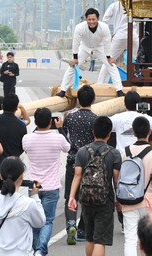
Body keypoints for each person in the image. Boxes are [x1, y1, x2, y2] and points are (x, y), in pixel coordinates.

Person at [68, 116, 121, 256]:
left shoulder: (82, 151)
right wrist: (118, 200)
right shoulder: (114, 153)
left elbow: (77, 175)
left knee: (89, 237)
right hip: (105, 200)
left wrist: (72, 197)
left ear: (93, 132)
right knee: (100, 240)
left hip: (86, 198)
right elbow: (116, 180)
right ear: (109, 134)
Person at [22, 107, 70, 256]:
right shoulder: (58, 138)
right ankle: (40, 250)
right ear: (51, 121)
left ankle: (37, 249)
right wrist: (60, 129)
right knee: (47, 221)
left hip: (34, 186)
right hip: (51, 186)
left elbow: (26, 149)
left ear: (35, 122)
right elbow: (68, 148)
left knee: (34, 221)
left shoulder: (27, 138)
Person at [119, 116, 152, 256]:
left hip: (129, 199)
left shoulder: (125, 152)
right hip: (148, 200)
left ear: (133, 133)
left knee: (130, 239)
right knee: (149, 240)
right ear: (149, 131)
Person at [56, 7, 124, 98]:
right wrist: (75, 58)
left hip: (99, 47)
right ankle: (63, 90)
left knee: (111, 66)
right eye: (89, 19)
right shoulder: (79, 27)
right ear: (86, 19)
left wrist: (109, 57)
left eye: (93, 19)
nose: (91, 22)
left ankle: (119, 90)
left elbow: (107, 43)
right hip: (85, 47)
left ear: (98, 19)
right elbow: (75, 43)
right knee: (72, 66)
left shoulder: (104, 27)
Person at [0, 156, 45, 256]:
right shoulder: (27, 203)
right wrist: (35, 196)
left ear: (0, 176)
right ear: (22, 176)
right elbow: (40, 222)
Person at [63, 84, 98, 244]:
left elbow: (66, 137)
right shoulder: (96, 119)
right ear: (93, 99)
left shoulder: (70, 117)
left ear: (78, 100)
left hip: (73, 160)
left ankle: (71, 224)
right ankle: (83, 229)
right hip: (90, 162)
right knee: (88, 197)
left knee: (71, 196)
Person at [97, 0, 139, 84]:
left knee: (108, 60)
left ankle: (100, 83)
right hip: (133, 36)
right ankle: (133, 80)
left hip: (119, 36)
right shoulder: (135, 5)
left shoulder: (115, 5)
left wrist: (109, 34)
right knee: (134, 60)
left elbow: (105, 20)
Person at [0, 94, 27, 165]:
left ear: (2, 106)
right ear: (16, 108)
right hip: (13, 163)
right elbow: (22, 147)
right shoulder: (21, 125)